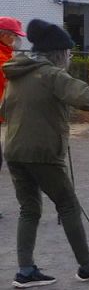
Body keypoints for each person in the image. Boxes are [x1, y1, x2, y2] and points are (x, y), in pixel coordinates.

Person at [2, 18, 89, 288]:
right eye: (67, 53)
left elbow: (5, 110)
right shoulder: (52, 75)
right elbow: (86, 96)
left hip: (14, 150)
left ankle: (25, 270)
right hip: (42, 153)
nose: (69, 58)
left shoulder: (17, 74)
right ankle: (87, 265)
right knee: (68, 204)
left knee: (29, 209)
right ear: (57, 53)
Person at [0, 16, 24, 192]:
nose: (16, 40)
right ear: (4, 36)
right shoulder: (3, 59)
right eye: (14, 36)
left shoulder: (7, 55)